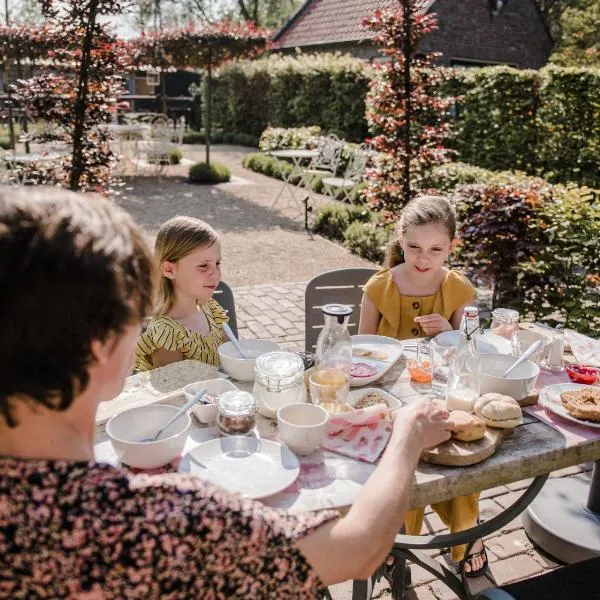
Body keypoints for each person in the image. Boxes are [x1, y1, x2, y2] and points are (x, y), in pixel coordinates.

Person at [0, 187, 452, 599]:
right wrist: (407, 436)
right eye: (131, 315)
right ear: (101, 347)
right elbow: (357, 548)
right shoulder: (152, 521)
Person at [358, 194, 487, 577]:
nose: (423, 257)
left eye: (435, 249)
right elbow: (361, 353)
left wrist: (450, 332)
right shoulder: (379, 287)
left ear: (452, 246)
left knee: (463, 454)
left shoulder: (458, 288)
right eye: (413, 246)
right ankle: (400, 533)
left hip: (441, 397)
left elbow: (470, 351)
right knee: (409, 457)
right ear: (400, 238)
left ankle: (467, 532)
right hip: (391, 400)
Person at [135, 216, 229, 371]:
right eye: (204, 265)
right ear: (169, 270)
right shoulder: (166, 332)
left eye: (217, 263)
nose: (216, 274)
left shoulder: (211, 309)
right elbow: (177, 392)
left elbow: (231, 358)